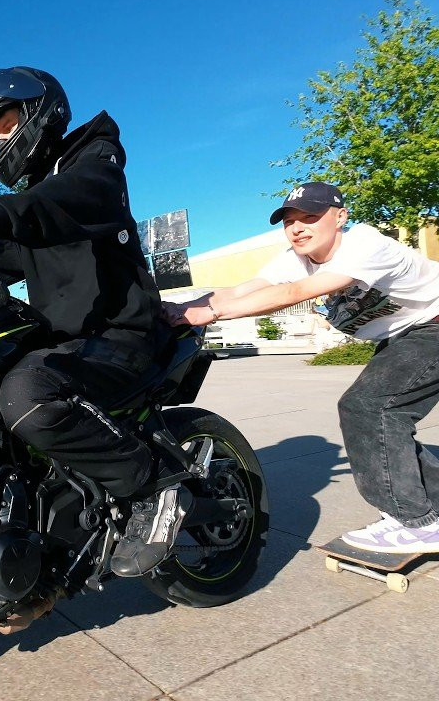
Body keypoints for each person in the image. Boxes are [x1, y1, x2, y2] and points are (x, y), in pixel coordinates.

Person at [0, 66, 182, 577]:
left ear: (38, 111)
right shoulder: (31, 206)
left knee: (26, 394)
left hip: (118, 336)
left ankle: (153, 485)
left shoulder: (94, 160)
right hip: (65, 346)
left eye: (4, 124)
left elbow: (72, 198)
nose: (0, 140)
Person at [165, 181, 439, 553]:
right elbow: (243, 289)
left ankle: (416, 523)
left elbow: (295, 293)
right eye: (288, 221)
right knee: (383, 421)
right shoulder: (294, 259)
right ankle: (431, 507)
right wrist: (176, 309)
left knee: (369, 409)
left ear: (340, 217)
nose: (297, 228)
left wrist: (209, 313)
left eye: (310, 217)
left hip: (433, 324)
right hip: (407, 335)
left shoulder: (366, 244)